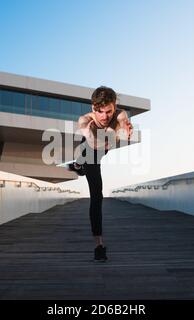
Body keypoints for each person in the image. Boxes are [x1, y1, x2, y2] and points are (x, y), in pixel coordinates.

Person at [68, 86, 133, 262]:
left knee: (108, 135)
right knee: (97, 196)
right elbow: (92, 143)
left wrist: (125, 126)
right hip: (90, 151)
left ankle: (77, 166)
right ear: (92, 108)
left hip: (101, 147)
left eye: (109, 111)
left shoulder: (119, 115)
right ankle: (99, 246)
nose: (104, 116)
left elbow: (123, 119)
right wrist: (101, 137)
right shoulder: (84, 121)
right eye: (100, 112)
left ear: (115, 106)